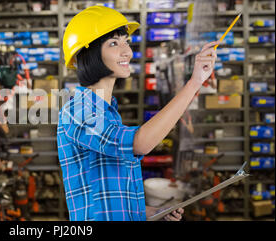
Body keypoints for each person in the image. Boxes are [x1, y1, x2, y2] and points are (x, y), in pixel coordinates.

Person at [57, 6, 218, 221]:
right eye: (114, 43)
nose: (128, 52)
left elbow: (112, 197)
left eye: (127, 42)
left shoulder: (108, 113)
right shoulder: (77, 111)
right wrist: (194, 83)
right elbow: (140, 143)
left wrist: (151, 212)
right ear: (88, 53)